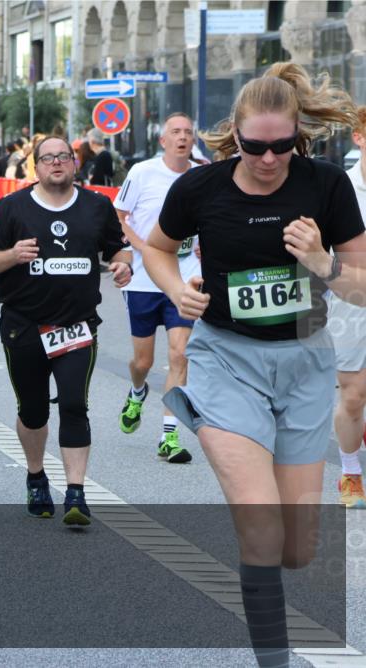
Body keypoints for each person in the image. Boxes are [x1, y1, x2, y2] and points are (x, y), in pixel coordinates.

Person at [143, 63, 363, 668]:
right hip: (224, 360)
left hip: (304, 363)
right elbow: (158, 248)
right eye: (255, 146)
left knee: (297, 548)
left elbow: (363, 287)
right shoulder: (201, 189)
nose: (269, 159)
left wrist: (323, 264)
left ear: (301, 138)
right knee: (263, 534)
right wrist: (176, 292)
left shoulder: (326, 187)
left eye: (282, 146)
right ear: (234, 138)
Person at [0, 135, 132, 526]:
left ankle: (76, 492)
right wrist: (12, 255)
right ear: (36, 167)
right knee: (33, 411)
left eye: (64, 157)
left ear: (75, 164)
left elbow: (119, 247)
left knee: (75, 405)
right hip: (23, 326)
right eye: (48, 158)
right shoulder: (11, 207)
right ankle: (35, 476)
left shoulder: (97, 206)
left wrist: (123, 264)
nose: (57, 163)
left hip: (76, 327)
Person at [114, 112, 200, 463]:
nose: (182, 137)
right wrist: (142, 248)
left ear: (193, 141)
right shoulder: (142, 172)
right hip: (145, 279)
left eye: (188, 132)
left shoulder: (201, 174)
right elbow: (119, 213)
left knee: (180, 355)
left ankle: (170, 436)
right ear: (163, 140)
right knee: (143, 361)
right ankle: (137, 392)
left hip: (184, 277)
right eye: (175, 132)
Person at [327, 103, 366, 509]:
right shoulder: (341, 188)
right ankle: (351, 474)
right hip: (352, 304)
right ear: (358, 138)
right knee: (353, 397)